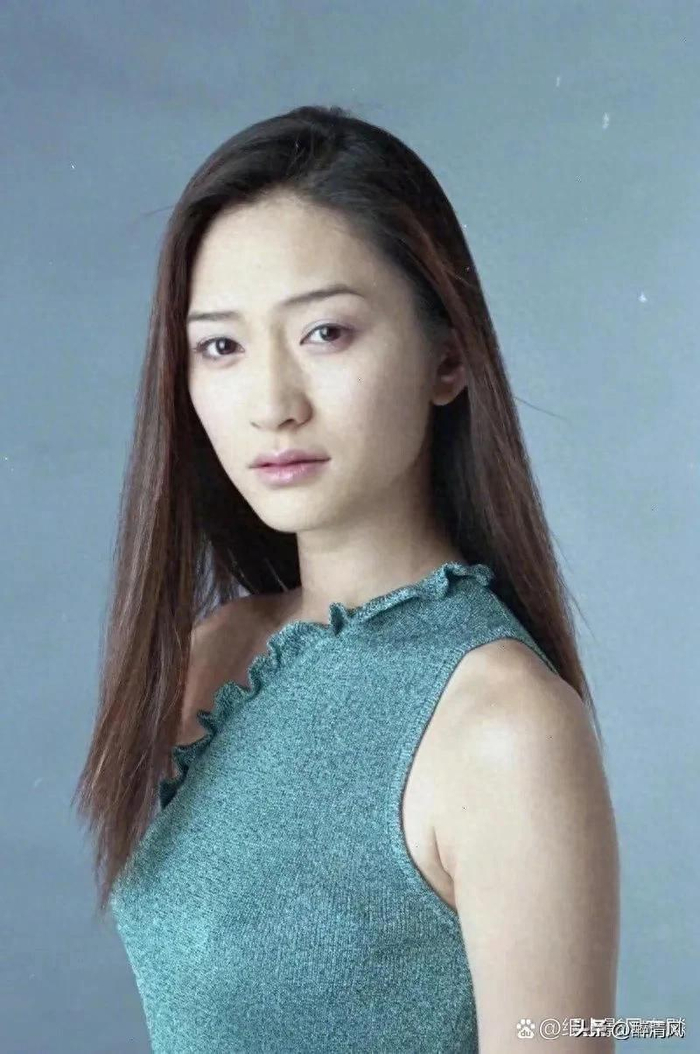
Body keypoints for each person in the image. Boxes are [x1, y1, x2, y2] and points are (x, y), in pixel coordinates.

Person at [74, 104, 619, 1053]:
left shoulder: (505, 727)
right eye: (221, 346)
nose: (272, 404)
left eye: (325, 332)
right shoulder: (211, 657)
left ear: (447, 355)